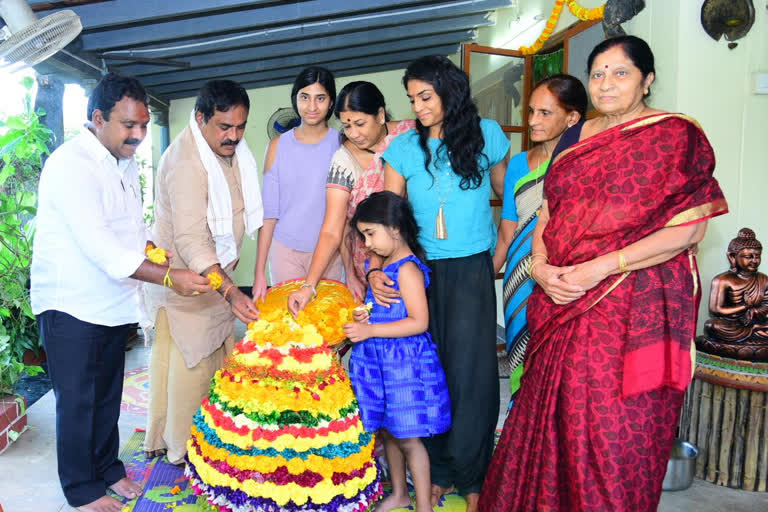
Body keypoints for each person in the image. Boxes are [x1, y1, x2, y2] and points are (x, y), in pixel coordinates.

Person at [479, 35, 728, 511]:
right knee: (549, 414)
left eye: (621, 73)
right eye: (597, 74)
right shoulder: (575, 137)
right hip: (560, 297)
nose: (606, 84)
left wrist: (599, 268)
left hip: (627, 305)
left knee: (609, 430)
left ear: (647, 80)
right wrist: (544, 267)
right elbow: (550, 211)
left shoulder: (673, 136)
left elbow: (688, 232)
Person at [31, 73, 212, 512]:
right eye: (128, 124)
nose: (138, 134)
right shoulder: (71, 163)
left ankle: (108, 469)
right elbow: (100, 246)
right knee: (78, 402)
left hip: (112, 303)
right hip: (71, 304)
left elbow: (128, 233)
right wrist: (168, 278)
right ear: (97, 118)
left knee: (107, 397)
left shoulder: (124, 164)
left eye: (144, 125)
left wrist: (151, 251)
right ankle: (82, 488)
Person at [380, 55, 510, 512]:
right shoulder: (402, 149)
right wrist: (381, 271)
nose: (418, 106)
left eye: (426, 96)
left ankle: (473, 477)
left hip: (472, 269)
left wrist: (497, 255)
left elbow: (505, 198)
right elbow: (387, 218)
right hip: (420, 273)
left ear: (449, 92)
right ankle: (434, 473)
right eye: (412, 98)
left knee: (472, 374)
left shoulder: (488, 136)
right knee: (426, 374)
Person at [144, 79, 262, 466]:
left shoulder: (230, 153)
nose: (234, 136)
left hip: (216, 279)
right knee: (190, 368)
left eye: (240, 126)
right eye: (224, 127)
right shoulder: (185, 162)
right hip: (188, 283)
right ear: (200, 118)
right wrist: (231, 290)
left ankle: (212, 436)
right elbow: (193, 240)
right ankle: (183, 448)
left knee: (216, 364)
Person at [342, 191, 451, 512]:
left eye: (370, 234)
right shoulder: (384, 265)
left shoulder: (407, 270)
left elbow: (418, 322)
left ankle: (423, 506)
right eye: (362, 235)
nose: (367, 243)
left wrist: (371, 329)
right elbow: (380, 308)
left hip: (404, 364)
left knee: (409, 438)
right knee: (389, 431)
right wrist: (365, 314)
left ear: (395, 228)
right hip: (380, 361)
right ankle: (400, 493)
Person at [492, 75, 586, 404]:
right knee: (520, 353)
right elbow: (508, 226)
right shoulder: (518, 164)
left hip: (561, 276)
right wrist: (490, 269)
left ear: (572, 118)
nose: (532, 120)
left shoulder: (581, 163)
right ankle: (521, 425)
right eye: (531, 111)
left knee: (555, 361)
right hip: (520, 277)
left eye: (545, 113)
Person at [287, 81, 415, 313]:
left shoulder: (410, 135)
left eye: (360, 124)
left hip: (414, 259)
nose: (354, 134)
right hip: (368, 266)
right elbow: (333, 229)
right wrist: (309, 285)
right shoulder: (343, 161)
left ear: (381, 115)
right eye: (347, 126)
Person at [253, 67, 343, 300]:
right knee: (290, 328)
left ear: (331, 102)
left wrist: (351, 271)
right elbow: (269, 213)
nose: (312, 107)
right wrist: (259, 273)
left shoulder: (342, 144)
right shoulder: (277, 146)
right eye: (305, 97)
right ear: (295, 99)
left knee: (326, 327)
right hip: (285, 252)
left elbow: (346, 216)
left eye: (320, 98)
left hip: (330, 254)